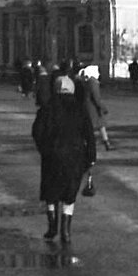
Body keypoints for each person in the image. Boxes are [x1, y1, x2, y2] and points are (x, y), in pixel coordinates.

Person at [31, 75, 97, 244]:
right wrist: (91, 157)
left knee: (51, 192)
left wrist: (44, 149)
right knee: (69, 194)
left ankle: (52, 227)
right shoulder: (79, 108)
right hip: (75, 157)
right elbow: (89, 134)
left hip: (52, 156)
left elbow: (37, 131)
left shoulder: (47, 107)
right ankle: (66, 232)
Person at [79, 64, 112, 150]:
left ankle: (105, 141)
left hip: (90, 106)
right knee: (97, 125)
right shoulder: (93, 82)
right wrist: (102, 107)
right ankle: (102, 142)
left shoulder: (87, 81)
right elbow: (96, 97)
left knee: (99, 125)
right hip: (93, 108)